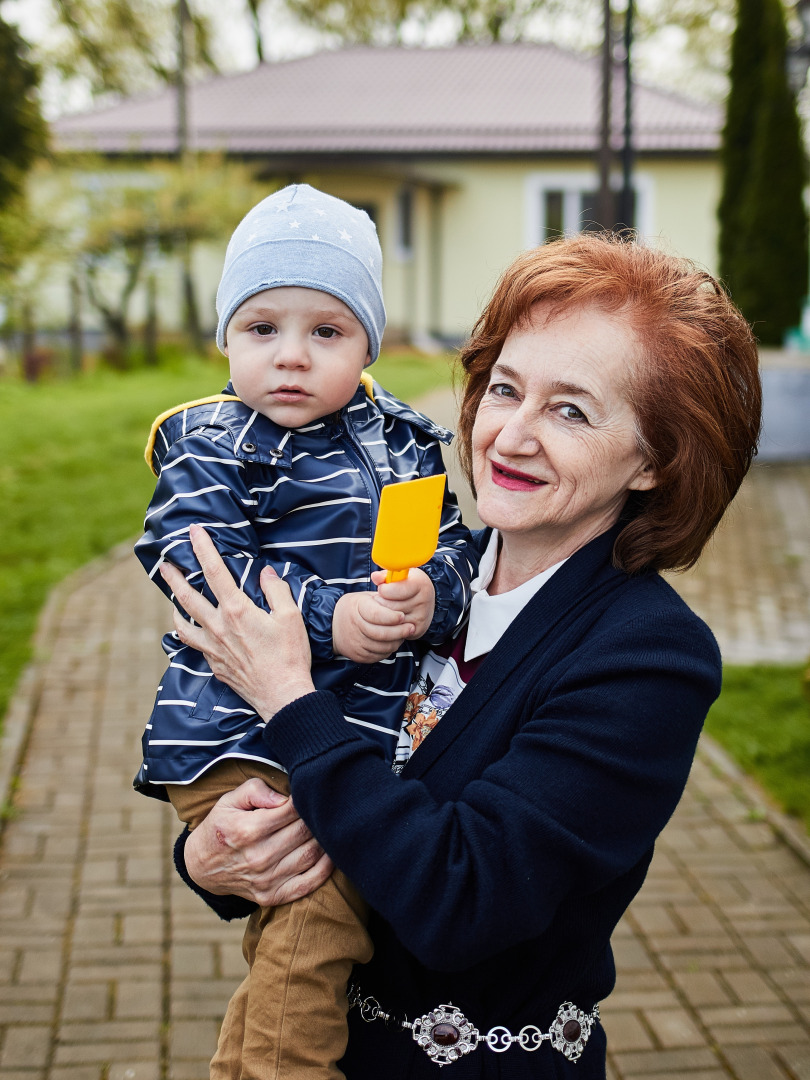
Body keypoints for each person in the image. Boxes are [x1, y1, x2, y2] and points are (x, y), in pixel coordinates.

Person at [163, 233, 762, 1079]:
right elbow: (323, 814)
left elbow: (461, 897)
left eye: (571, 410)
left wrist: (289, 699)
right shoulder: (412, 574)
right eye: (505, 389)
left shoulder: (648, 655)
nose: (509, 436)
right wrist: (210, 860)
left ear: (656, 460)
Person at [134, 184, 477, 1079]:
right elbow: (193, 564)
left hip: (348, 738)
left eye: (326, 331)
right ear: (226, 339)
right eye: (263, 329)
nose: (291, 357)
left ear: (369, 340)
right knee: (319, 913)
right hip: (235, 734)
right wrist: (335, 618)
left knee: (303, 931)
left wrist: (426, 599)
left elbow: (450, 549)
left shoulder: (405, 443)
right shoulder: (212, 442)